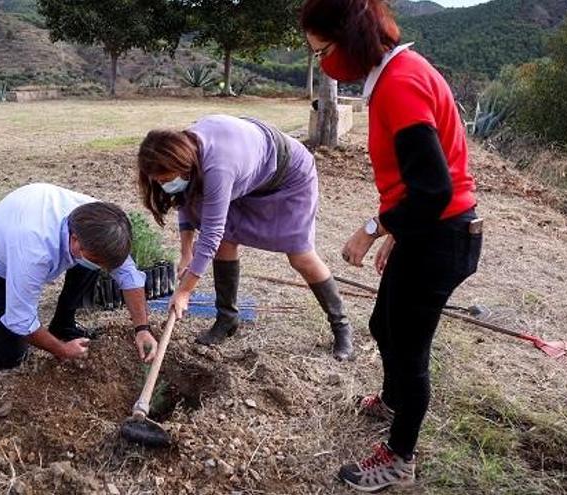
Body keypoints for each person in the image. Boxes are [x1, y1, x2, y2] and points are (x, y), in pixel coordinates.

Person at [302, 0, 483, 491]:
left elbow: (434, 190)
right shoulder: (394, 73)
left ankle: (400, 456)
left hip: (443, 236)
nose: (322, 62)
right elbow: (421, 184)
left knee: (408, 349)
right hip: (428, 230)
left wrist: (374, 227)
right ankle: (392, 400)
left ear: (351, 40)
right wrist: (401, 232)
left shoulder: (400, 85)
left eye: (323, 50)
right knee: (384, 323)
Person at [137, 114, 353, 361]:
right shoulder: (183, 150)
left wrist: (185, 292)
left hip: (288, 174)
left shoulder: (217, 167)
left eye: (166, 180)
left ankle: (341, 327)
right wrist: (186, 252)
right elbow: (186, 198)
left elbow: (211, 234)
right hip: (248, 174)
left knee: (300, 255)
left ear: (182, 166)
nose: (164, 185)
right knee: (226, 241)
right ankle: (227, 319)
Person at [0, 183, 158, 369]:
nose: (105, 269)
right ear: (74, 240)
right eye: (98, 261)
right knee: (8, 356)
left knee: (90, 265)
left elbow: (129, 275)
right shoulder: (34, 251)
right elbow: (21, 319)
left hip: (20, 241)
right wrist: (61, 350)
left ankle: (62, 325)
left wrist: (142, 329)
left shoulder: (99, 223)